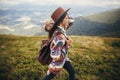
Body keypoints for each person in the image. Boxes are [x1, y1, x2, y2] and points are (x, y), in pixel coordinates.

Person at [42, 7, 76, 80]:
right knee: (49, 77)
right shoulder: (59, 37)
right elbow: (55, 56)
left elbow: (71, 21)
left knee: (72, 71)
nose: (68, 20)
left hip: (64, 59)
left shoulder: (61, 28)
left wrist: (66, 16)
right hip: (57, 63)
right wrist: (67, 45)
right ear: (61, 21)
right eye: (66, 18)